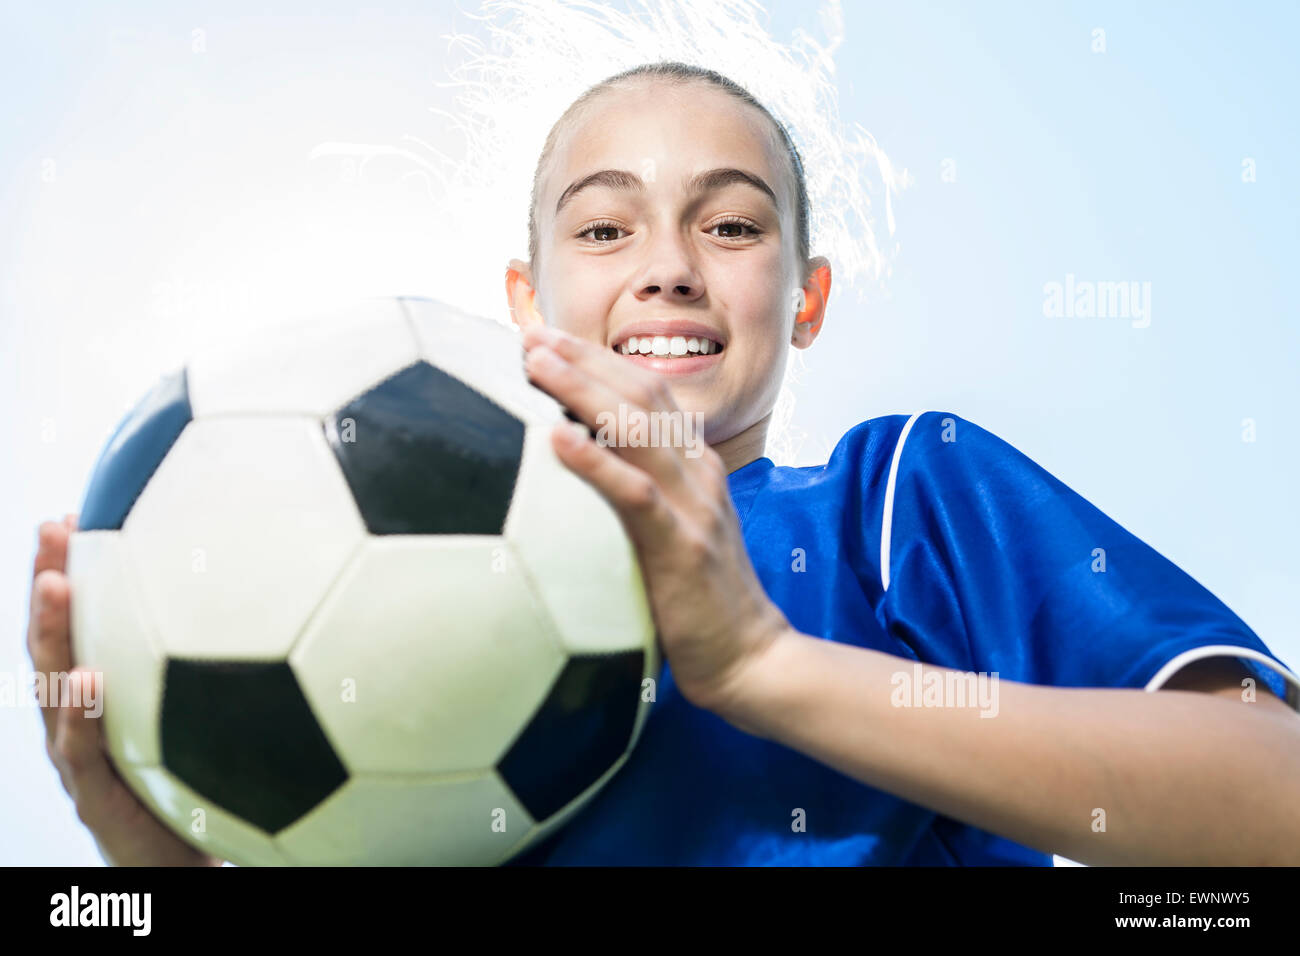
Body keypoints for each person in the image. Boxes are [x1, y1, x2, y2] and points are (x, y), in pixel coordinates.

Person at [28, 61, 1300, 866]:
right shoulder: (385, 595)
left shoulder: (900, 496)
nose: (669, 263)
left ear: (804, 298)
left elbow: (1274, 797)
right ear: (524, 306)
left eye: (733, 222)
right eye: (604, 224)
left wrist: (762, 663)